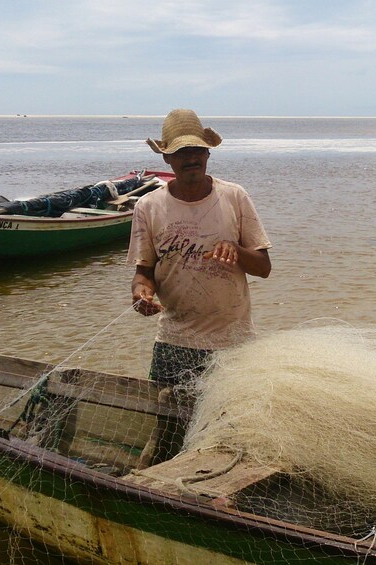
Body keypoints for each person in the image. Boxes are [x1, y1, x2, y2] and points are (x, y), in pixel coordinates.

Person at [127, 109, 272, 466]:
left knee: (228, 436)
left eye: (197, 151)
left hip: (232, 343)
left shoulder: (234, 197)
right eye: (180, 153)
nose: (190, 158)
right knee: (167, 434)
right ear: (166, 158)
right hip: (174, 340)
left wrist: (235, 251)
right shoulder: (148, 206)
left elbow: (264, 268)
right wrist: (140, 293)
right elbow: (143, 271)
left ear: (208, 153)